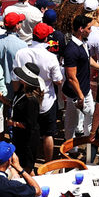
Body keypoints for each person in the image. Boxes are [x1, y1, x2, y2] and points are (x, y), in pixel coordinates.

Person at [15, 23, 64, 162]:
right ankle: (48, 166)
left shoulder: (21, 53)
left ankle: (27, 161)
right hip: (46, 102)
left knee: (27, 133)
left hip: (26, 99)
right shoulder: (50, 57)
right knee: (48, 135)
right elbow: (58, 81)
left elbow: (15, 79)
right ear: (47, 38)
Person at [61, 13, 96, 142]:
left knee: (90, 115)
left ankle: (88, 141)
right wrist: (80, 96)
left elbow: (87, 60)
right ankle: (71, 148)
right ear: (81, 29)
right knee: (72, 121)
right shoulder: (71, 50)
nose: (90, 31)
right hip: (75, 93)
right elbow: (71, 77)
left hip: (84, 90)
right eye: (89, 28)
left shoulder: (83, 44)